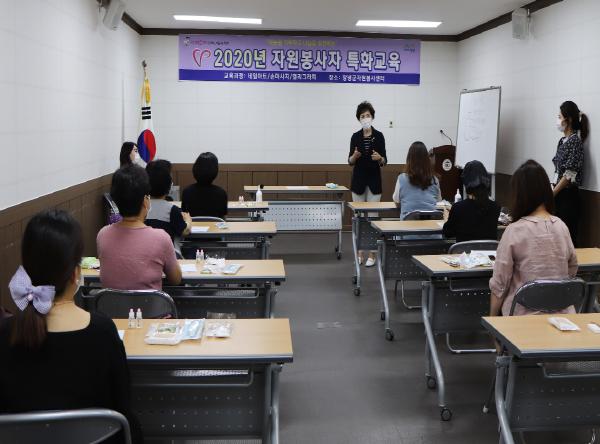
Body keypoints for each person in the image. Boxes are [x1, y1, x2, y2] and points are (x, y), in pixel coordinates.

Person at [0, 210, 141, 443]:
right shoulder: (102, 332)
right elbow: (122, 408)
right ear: (76, 273)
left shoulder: (5, 334)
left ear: (26, 269)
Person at [489, 160, 577, 317]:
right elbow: (572, 268)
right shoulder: (561, 226)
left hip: (522, 318)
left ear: (519, 195)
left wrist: (492, 319)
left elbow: (500, 284)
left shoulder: (514, 231)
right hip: (562, 318)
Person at [97, 165, 182, 290]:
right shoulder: (161, 238)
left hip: (110, 303)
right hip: (150, 303)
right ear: (145, 201)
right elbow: (176, 279)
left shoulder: (103, 235)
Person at [348, 101, 387, 267]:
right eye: (362, 116)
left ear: (372, 117)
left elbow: (385, 161)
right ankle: (359, 253)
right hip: (358, 183)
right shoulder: (355, 137)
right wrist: (354, 156)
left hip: (374, 183)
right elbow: (349, 161)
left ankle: (372, 253)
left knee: (373, 218)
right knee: (359, 219)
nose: (365, 118)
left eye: (368, 115)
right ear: (359, 119)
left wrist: (380, 158)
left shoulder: (379, 136)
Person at [552, 100, 589, 246]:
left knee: (567, 240)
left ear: (569, 120)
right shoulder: (562, 141)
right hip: (559, 195)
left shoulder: (575, 142)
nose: (558, 120)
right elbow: (558, 170)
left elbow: (569, 174)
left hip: (568, 197)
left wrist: (553, 193)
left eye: (560, 117)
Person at [443, 160, 500, 242]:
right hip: (488, 250)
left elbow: (448, 233)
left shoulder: (458, 207)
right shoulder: (495, 207)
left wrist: (446, 219)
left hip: (464, 250)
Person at [145, 159, 192, 242]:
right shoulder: (172, 210)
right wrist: (188, 220)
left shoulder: (141, 208)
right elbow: (185, 231)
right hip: (167, 249)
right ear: (169, 185)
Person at [393, 141, 441, 219]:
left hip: (408, 222)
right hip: (430, 222)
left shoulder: (401, 178)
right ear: (427, 159)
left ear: (409, 158)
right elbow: (438, 200)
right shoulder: (434, 179)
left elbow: (396, 200)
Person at [181, 152, 228, 219]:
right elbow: (223, 218)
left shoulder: (187, 192)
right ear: (215, 171)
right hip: (215, 226)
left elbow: (184, 215)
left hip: (192, 225)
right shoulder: (221, 193)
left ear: (195, 169)